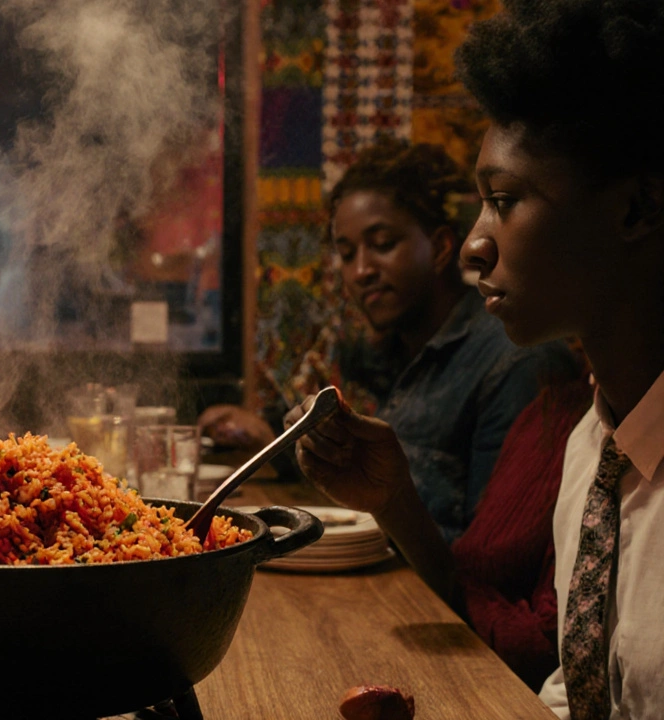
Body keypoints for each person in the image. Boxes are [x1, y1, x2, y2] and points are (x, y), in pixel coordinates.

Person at [295, 0, 664, 715]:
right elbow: (576, 690)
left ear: (635, 210)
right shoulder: (593, 446)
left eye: (505, 200)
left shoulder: (556, 406)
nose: (472, 245)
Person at [210, 140, 575, 542]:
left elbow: (494, 564)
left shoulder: (516, 362)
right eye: (346, 254)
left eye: (382, 244)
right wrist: (277, 441)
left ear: (438, 249)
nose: (361, 270)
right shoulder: (398, 350)